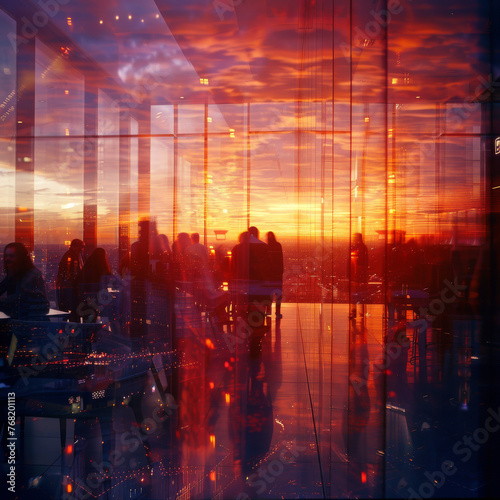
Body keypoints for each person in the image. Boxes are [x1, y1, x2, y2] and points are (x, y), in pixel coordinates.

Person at [0, 242, 49, 319]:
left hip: (32, 321)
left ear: (21, 258)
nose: (7, 259)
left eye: (11, 256)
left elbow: (18, 297)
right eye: (6, 256)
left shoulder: (32, 274)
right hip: (23, 318)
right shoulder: (14, 273)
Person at [73, 247, 112, 323]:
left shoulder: (86, 269)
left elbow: (77, 282)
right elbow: (107, 280)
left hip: (85, 299)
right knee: (93, 319)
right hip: (97, 299)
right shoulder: (102, 270)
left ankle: (88, 333)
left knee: (88, 320)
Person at [56, 238, 85, 312]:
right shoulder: (72, 258)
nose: (82, 249)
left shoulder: (73, 256)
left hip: (70, 287)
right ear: (74, 247)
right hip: (71, 288)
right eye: (80, 247)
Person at [266, 231, 284, 318]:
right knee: (278, 294)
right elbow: (280, 259)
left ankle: (268, 311)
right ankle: (277, 312)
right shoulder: (278, 245)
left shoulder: (266, 247)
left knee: (269, 294)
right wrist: (281, 271)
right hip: (277, 274)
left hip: (270, 274)